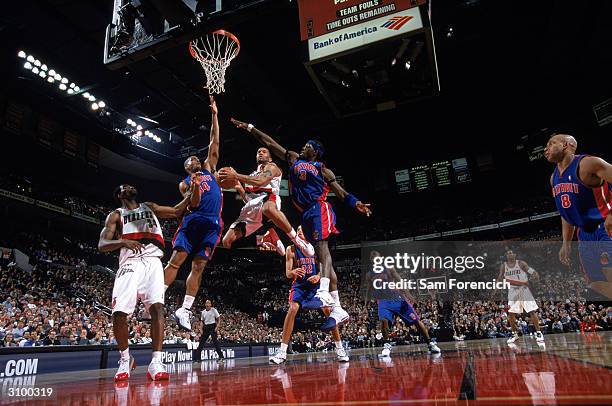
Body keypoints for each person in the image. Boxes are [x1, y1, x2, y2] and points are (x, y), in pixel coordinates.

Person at [229, 118, 371, 331]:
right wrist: (250, 128)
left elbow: (340, 192)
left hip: (319, 207)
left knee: (322, 248)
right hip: (304, 213)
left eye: (308, 146)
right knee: (320, 253)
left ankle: (323, 290)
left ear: (315, 152)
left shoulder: (323, 169)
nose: (304, 147)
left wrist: (356, 203)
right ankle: (339, 308)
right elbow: (271, 143)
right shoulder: (294, 158)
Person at [98, 183, 192, 382]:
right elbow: (102, 245)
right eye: (124, 186)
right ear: (119, 194)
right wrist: (123, 242)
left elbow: (177, 210)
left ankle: (156, 362)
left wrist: (193, 192)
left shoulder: (148, 206)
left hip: (153, 262)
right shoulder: (116, 215)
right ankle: (126, 359)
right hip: (130, 262)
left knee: (158, 309)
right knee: (119, 313)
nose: (129, 187)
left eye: (130, 185)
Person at [164, 95, 223, 331]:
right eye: (190, 160)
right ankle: (157, 295)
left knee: (198, 266)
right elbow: (194, 203)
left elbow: (214, 142)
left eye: (196, 157)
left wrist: (215, 115)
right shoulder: (185, 183)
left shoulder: (209, 168)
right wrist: (196, 185)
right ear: (187, 167)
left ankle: (185, 309)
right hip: (193, 222)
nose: (194, 159)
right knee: (177, 260)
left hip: (213, 224)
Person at [544, 134, 612, 299]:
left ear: (566, 145)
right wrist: (566, 244)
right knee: (596, 285)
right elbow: (566, 213)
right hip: (583, 235)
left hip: (604, 228)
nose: (546, 149)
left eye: (551, 143)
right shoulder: (554, 178)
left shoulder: (588, 163)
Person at [270, 227, 349, 364]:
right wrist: (293, 271)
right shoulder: (291, 249)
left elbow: (324, 267)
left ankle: (340, 349)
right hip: (300, 286)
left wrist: (318, 276)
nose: (299, 231)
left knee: (328, 312)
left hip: (314, 286)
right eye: (298, 230)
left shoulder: (314, 248)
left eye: (302, 230)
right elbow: (288, 273)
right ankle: (282, 352)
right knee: (293, 309)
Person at [219, 147, 313, 257]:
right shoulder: (252, 175)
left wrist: (236, 175)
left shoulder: (272, 167)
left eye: (264, 152)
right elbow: (249, 200)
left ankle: (296, 240)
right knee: (226, 241)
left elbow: (261, 180)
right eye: (258, 152)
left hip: (269, 199)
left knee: (267, 208)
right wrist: (240, 188)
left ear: (270, 158)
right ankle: (267, 237)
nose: (260, 153)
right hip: (252, 210)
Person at [365, 251, 440, 357]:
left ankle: (430, 343)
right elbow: (369, 289)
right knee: (383, 320)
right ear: (371, 261)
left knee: (416, 321)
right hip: (383, 301)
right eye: (373, 259)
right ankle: (386, 345)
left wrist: (408, 294)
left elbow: (400, 280)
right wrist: (366, 303)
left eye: (376, 258)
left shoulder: (389, 268)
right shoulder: (369, 275)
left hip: (397, 298)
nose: (375, 260)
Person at [497, 250, 544, 343]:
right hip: (512, 291)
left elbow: (531, 271)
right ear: (506, 256)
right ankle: (514, 334)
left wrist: (534, 274)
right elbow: (500, 277)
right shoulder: (504, 266)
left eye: (511, 252)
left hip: (523, 289)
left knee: (531, 311)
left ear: (515, 254)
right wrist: (497, 285)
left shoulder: (521, 263)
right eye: (508, 253)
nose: (510, 254)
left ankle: (539, 332)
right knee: (511, 314)